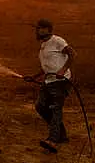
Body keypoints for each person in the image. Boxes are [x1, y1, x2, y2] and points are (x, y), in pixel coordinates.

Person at [23, 19, 76, 153]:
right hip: (48, 81)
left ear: (48, 29)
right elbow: (47, 67)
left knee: (55, 109)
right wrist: (34, 77)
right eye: (37, 28)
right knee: (40, 107)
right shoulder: (43, 46)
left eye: (40, 28)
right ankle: (61, 135)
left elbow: (72, 54)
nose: (37, 30)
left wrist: (63, 70)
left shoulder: (57, 41)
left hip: (61, 82)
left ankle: (53, 140)